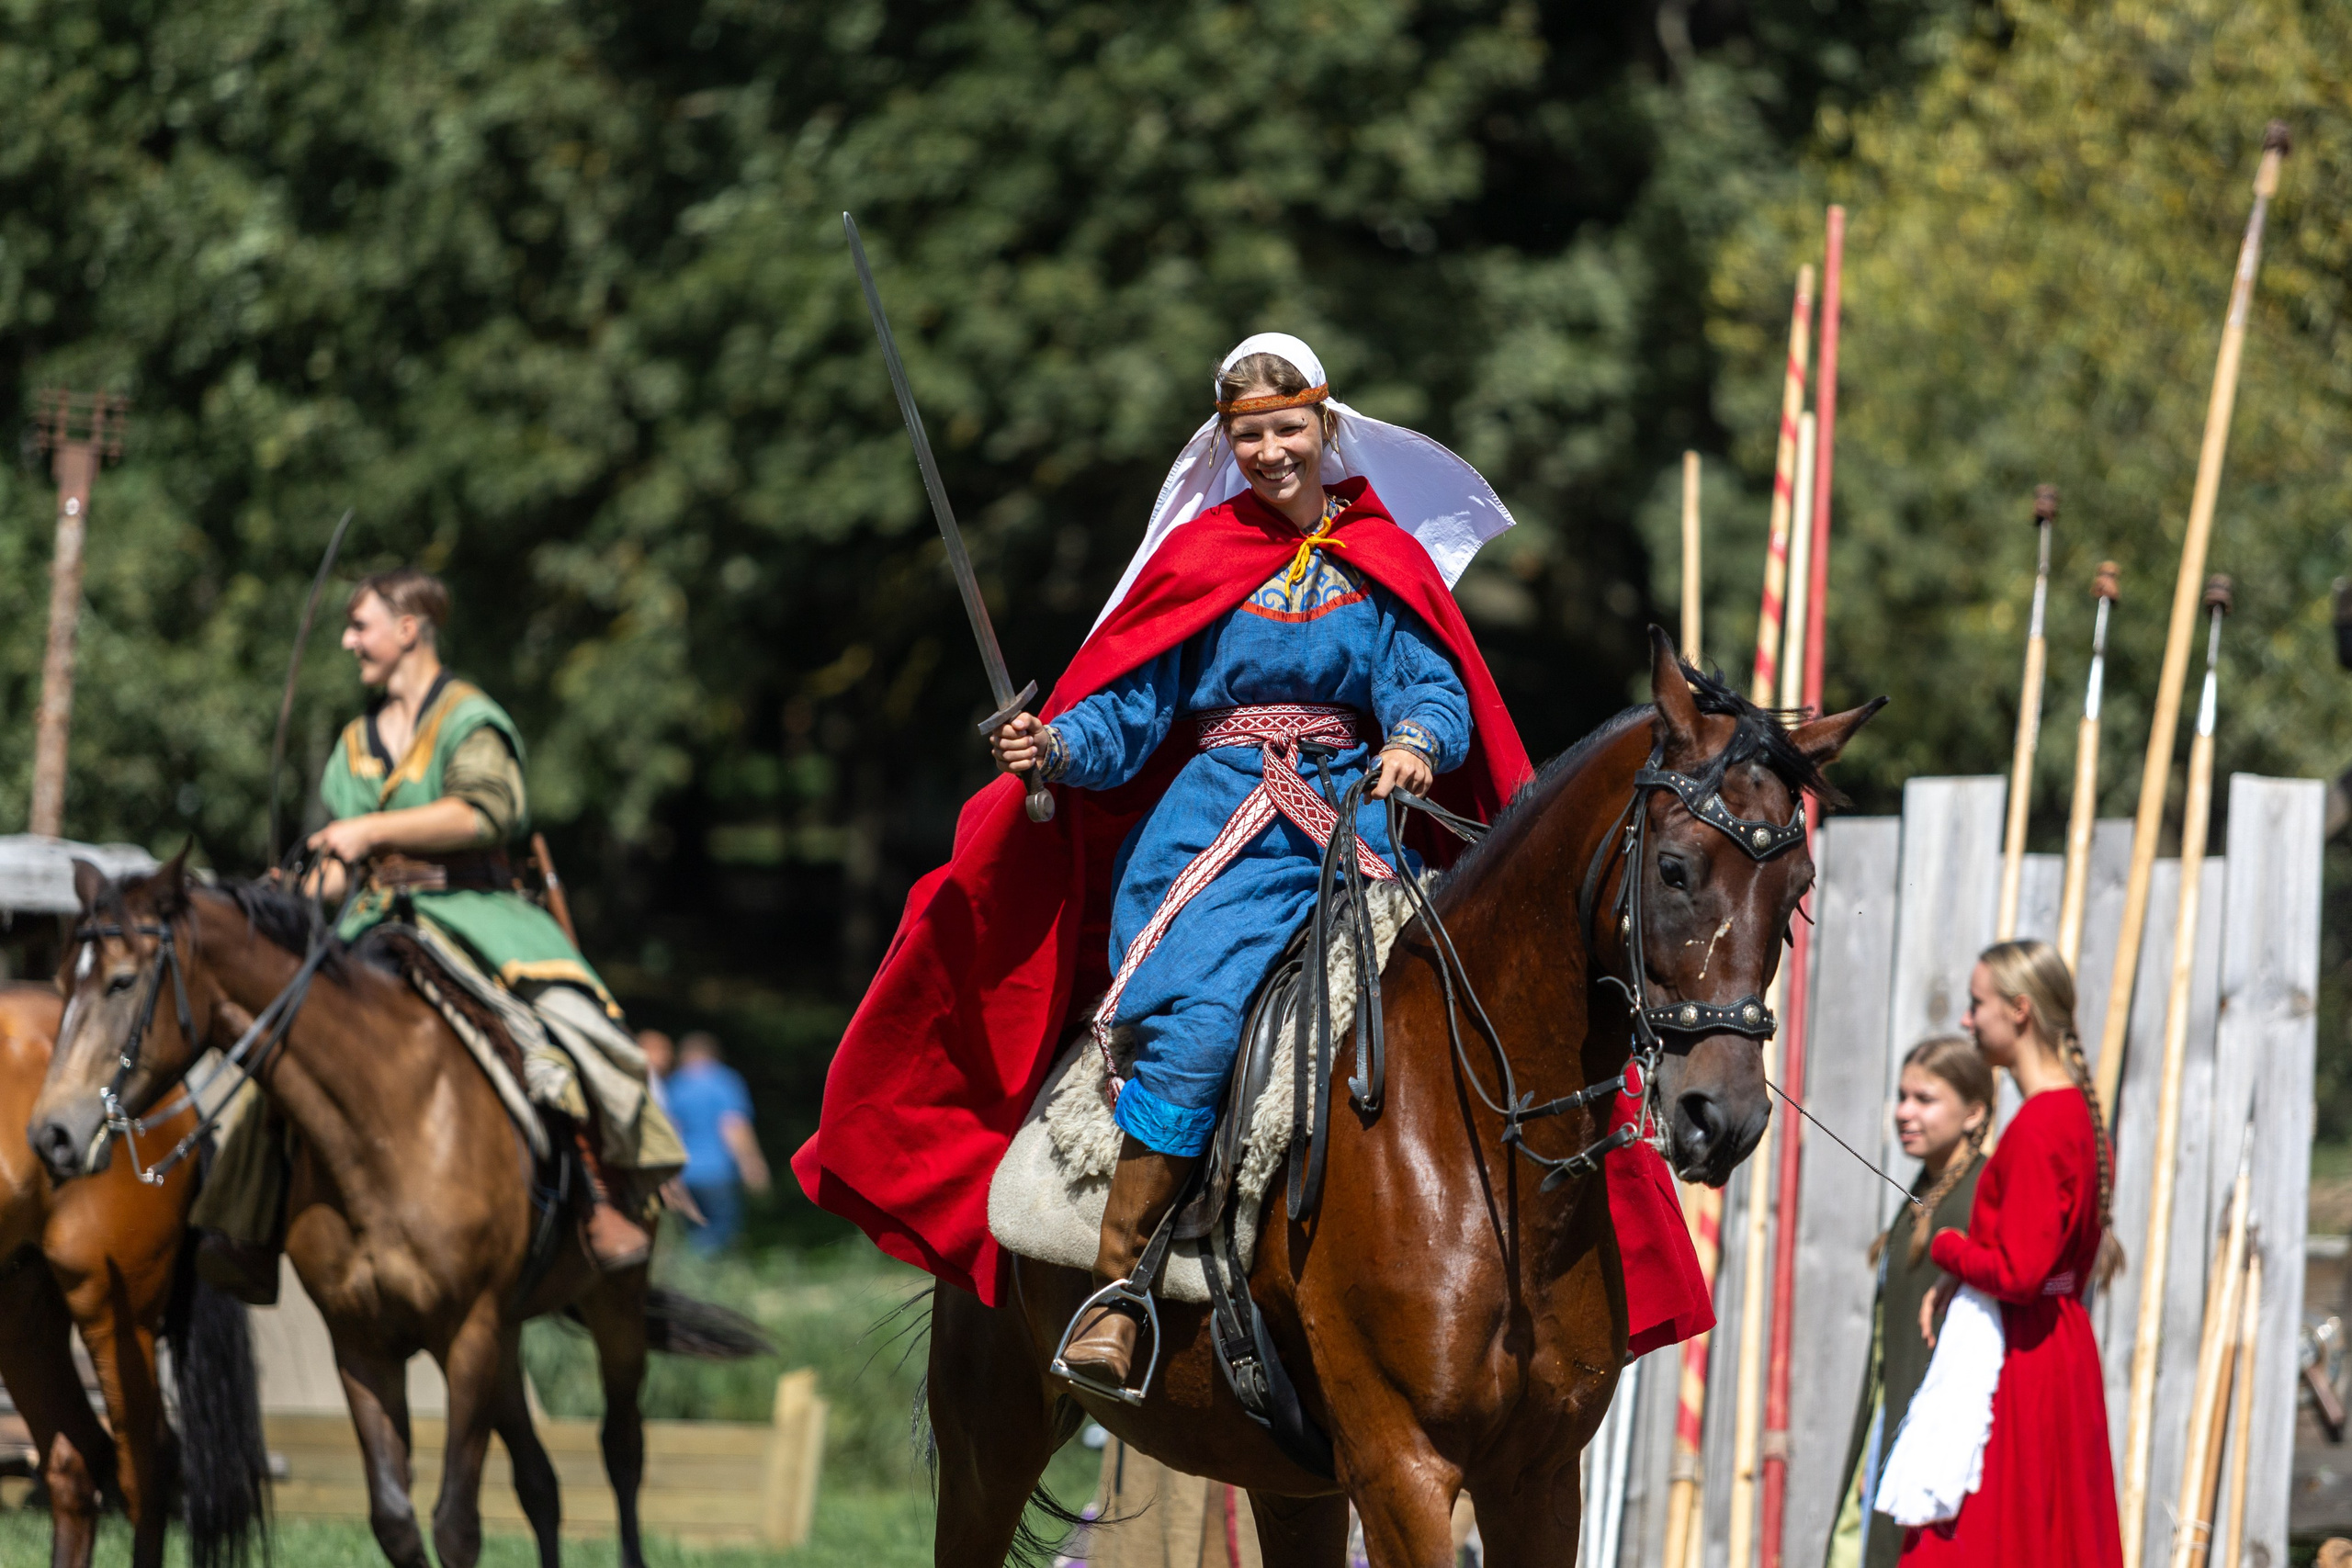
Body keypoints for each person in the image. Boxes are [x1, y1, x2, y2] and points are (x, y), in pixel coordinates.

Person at [793, 333, 1713, 1394]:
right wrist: (1053, 745)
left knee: (1460, 1007)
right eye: (1249, 434)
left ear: (1325, 429)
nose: (1271, 450)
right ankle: (1119, 1291)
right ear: (1227, 443)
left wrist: (1415, 740)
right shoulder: (1198, 560)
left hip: (1355, 830)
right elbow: (1130, 716)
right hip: (1213, 845)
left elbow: (1433, 685)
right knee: (1202, 1028)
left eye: (1287, 429)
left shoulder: (1384, 558)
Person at [191, 568, 685, 1301]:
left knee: (571, 1029)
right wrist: (293, 893)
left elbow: (486, 813)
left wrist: (368, 829)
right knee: (291, 1040)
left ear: (410, 628)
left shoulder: (470, 719)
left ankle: (599, 1197)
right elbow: (339, 868)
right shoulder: (355, 742)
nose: (348, 640)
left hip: (479, 913)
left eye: (361, 624)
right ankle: (248, 1225)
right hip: (371, 921)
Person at [1900, 939, 2123, 1567]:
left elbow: (2020, 1274)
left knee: (1994, 1542)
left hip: (2022, 1356)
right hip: (2061, 1344)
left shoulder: (2039, 1124)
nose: (1967, 1020)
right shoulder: (2078, 1113)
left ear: (2019, 1011)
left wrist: (1948, 1248)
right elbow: (2041, 1259)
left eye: (1978, 1004)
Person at [1832, 1035, 1994, 1568]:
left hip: (1944, 1456)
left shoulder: (1985, 1195)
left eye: (1924, 1100)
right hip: (1892, 1432)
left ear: (1974, 1113)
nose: (1903, 1112)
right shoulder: (1927, 1191)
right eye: (1902, 1097)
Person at [666, 1032, 771, 1252]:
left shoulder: (674, 1086)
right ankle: (703, 1278)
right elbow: (733, 1126)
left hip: (683, 1171)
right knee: (719, 1232)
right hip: (717, 1171)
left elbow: (671, 1130)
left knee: (692, 1232)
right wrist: (752, 1164)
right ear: (713, 1055)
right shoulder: (723, 1081)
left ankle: (690, 1274)